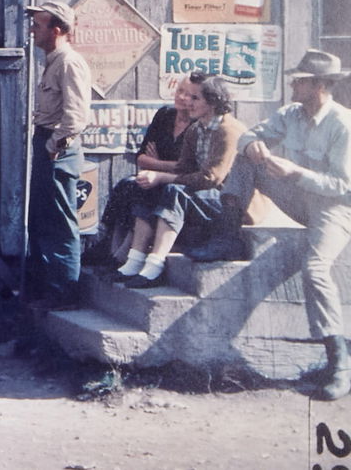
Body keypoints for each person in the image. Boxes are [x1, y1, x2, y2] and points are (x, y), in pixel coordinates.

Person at [189, 49, 351, 401]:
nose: (293, 84)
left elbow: (345, 187)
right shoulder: (290, 113)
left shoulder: (343, 124)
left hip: (334, 209)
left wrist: (298, 173)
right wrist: (255, 145)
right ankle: (227, 235)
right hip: (297, 198)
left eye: (301, 80)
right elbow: (249, 136)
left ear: (320, 86)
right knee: (247, 161)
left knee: (316, 268)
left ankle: (338, 361)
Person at [115, 73, 240, 288]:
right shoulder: (196, 129)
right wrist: (156, 178)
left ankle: (155, 264)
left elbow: (212, 178)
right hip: (203, 194)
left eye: (195, 98)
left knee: (173, 190)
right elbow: (184, 168)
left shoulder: (227, 130)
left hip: (229, 200)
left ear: (212, 102)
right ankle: (135, 260)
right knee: (149, 188)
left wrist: (162, 175)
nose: (188, 103)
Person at [85, 76, 203, 267]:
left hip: (179, 182)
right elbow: (141, 158)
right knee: (127, 185)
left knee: (143, 188)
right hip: (154, 176)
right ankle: (110, 245)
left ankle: (124, 254)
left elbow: (192, 168)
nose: (182, 97)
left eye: (190, 96)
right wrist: (166, 163)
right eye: (180, 90)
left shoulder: (198, 127)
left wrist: (157, 163)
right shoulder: (165, 115)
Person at [25, 0, 91, 310]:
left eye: (38, 25)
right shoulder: (52, 60)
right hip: (46, 145)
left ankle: (65, 292)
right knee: (41, 218)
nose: (32, 30)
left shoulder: (69, 62)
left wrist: (53, 147)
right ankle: (45, 290)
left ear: (57, 29)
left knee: (61, 222)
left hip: (58, 150)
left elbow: (76, 117)